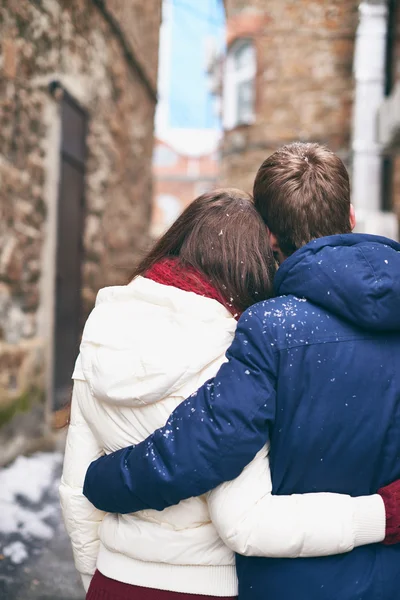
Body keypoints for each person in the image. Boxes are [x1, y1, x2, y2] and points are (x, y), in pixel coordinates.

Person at [83, 144, 400, 600]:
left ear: (268, 239)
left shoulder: (271, 328)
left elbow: (202, 449)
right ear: (351, 216)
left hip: (296, 585)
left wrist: (103, 480)